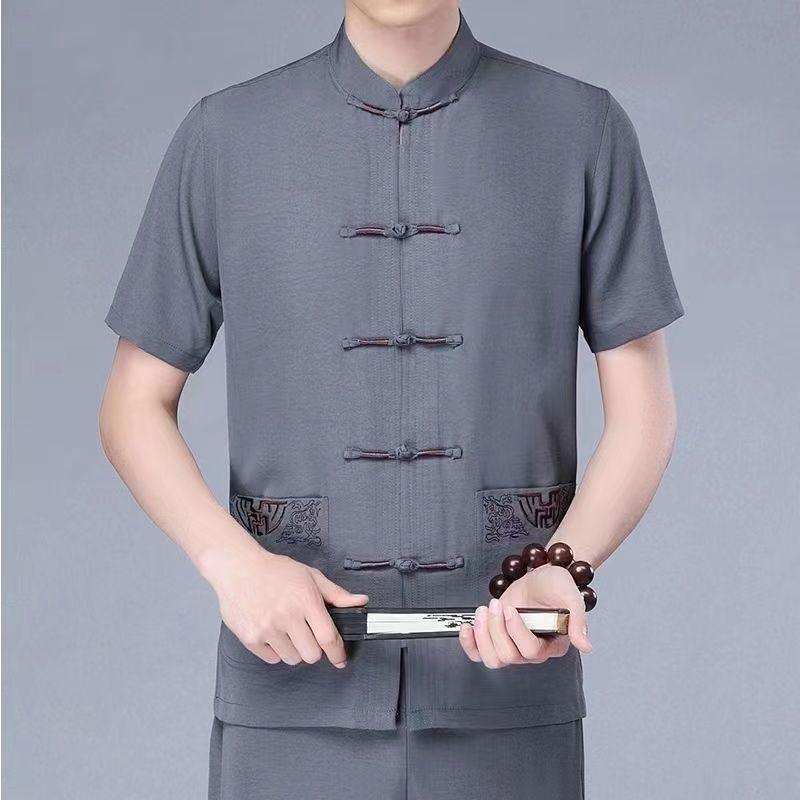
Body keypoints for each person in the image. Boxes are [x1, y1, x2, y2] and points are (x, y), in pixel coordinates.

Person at [100, 1, 683, 797]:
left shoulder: (582, 128)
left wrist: (560, 565)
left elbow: (645, 412)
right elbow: (132, 404)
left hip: (506, 693)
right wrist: (231, 564)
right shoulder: (225, 136)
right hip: (289, 695)